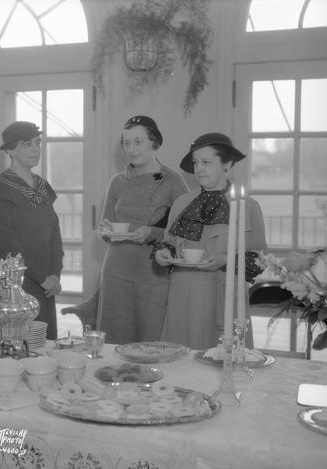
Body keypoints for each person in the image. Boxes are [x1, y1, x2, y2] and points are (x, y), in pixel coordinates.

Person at [154, 132, 267, 349]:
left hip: (223, 297)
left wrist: (225, 260)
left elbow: (258, 259)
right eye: (196, 162)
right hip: (182, 294)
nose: (198, 169)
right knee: (180, 361)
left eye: (206, 162)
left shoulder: (248, 206)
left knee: (220, 365)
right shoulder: (182, 203)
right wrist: (164, 253)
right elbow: (168, 241)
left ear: (227, 164)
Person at [97, 115, 188, 344]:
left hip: (153, 272)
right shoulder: (117, 182)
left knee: (151, 340)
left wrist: (153, 233)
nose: (131, 148)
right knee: (114, 339)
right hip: (116, 269)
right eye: (126, 143)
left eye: (138, 142)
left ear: (154, 143)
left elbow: (185, 230)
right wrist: (106, 230)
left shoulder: (172, 181)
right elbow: (105, 224)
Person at [0, 121, 63, 340]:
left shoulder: (42, 185)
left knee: (44, 344)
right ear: (10, 150)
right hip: (16, 279)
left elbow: (55, 233)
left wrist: (55, 273)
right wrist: (41, 277)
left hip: (46, 279)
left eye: (37, 143)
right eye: (27, 144)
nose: (36, 149)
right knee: (17, 346)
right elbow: (6, 243)